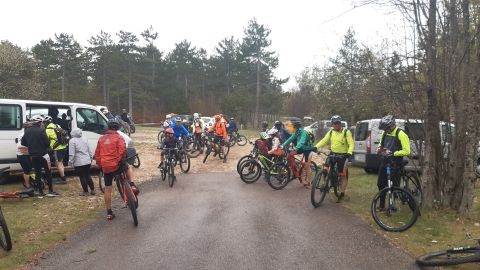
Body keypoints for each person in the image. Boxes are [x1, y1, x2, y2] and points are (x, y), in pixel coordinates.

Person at [95, 119, 138, 221]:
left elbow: (97, 154)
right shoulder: (119, 137)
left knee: (108, 189)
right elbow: (122, 150)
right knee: (128, 166)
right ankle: (131, 184)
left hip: (106, 167)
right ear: (118, 128)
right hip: (117, 165)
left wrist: (100, 165)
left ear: (108, 127)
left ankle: (109, 213)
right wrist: (119, 161)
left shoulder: (101, 139)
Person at [315, 115, 354, 202]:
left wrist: (349, 153)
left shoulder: (346, 132)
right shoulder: (331, 132)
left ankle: (342, 193)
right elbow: (324, 140)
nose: (336, 125)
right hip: (333, 153)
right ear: (332, 124)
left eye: (338, 123)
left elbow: (351, 144)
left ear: (340, 123)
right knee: (325, 168)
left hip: (343, 155)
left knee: (343, 175)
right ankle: (326, 183)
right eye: (334, 123)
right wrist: (316, 147)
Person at [376, 115, 411, 211]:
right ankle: (382, 206)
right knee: (380, 184)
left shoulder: (401, 134)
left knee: (393, 186)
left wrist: (394, 153)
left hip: (396, 163)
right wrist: (379, 149)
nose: (385, 131)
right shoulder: (384, 133)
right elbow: (381, 144)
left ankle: (393, 205)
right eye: (384, 129)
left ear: (391, 126)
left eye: (386, 128)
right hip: (385, 161)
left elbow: (407, 151)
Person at [21, 115, 58, 197]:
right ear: (39, 123)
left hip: (33, 156)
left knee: (38, 173)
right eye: (41, 122)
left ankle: (40, 191)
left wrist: (31, 145)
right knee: (48, 172)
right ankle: (50, 191)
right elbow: (47, 143)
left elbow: (23, 143)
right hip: (43, 155)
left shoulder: (27, 131)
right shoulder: (41, 130)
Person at [281, 119, 316, 188]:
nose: (292, 128)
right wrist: (282, 145)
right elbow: (290, 139)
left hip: (308, 149)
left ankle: (309, 183)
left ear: (296, 127)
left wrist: (296, 148)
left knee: (307, 166)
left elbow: (301, 142)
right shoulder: (297, 132)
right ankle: (296, 170)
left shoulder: (304, 133)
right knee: (290, 155)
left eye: (293, 126)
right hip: (302, 148)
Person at [69, 128, 95, 196]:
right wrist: (91, 157)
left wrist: (70, 162)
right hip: (87, 160)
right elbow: (89, 149)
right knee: (88, 175)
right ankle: (92, 190)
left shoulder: (72, 141)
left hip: (78, 162)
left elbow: (72, 153)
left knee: (82, 176)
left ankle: (86, 191)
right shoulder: (85, 138)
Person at [45, 116, 68, 185]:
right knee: (61, 162)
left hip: (57, 148)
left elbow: (46, 140)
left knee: (58, 163)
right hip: (64, 146)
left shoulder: (47, 130)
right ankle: (62, 176)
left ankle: (63, 178)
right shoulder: (57, 125)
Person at [16, 120, 35, 193]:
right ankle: (27, 185)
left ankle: (30, 183)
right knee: (26, 170)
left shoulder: (27, 133)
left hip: (26, 155)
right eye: (30, 127)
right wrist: (31, 150)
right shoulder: (24, 134)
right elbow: (20, 147)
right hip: (22, 155)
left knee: (29, 169)